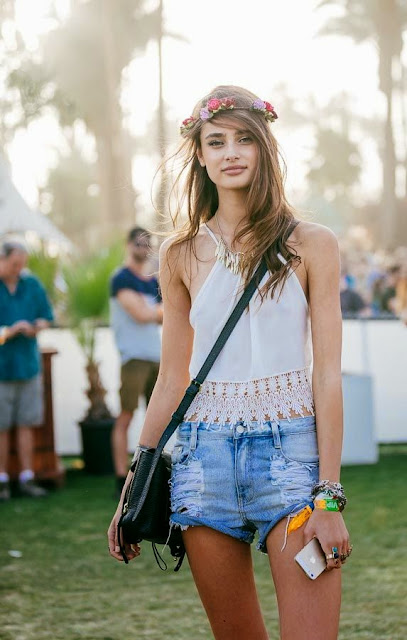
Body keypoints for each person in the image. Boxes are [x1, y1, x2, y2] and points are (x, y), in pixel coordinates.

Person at [108, 86, 351, 640]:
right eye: (216, 141)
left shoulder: (311, 243)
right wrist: (132, 493)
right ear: (200, 155)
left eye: (244, 139)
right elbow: (173, 377)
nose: (230, 152)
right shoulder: (179, 253)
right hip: (201, 464)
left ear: (265, 148)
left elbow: (327, 373)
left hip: (291, 461)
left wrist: (329, 493)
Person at [110, 227, 163, 497]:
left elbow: (164, 312)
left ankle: (149, 476)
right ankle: (121, 477)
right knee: (126, 416)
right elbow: (141, 315)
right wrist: (160, 312)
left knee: (157, 419)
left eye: (148, 243)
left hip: (157, 358)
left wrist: (157, 312)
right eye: (139, 243)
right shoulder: (120, 279)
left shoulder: (152, 281)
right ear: (129, 244)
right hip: (133, 359)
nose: (144, 248)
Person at [0, 240, 54, 501]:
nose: (19, 269)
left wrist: (36, 326)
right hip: (2, 369)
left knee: (26, 424)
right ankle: (2, 482)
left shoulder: (31, 284)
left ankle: (27, 477)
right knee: (1, 427)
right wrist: (8, 332)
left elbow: (46, 315)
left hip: (28, 367)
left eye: (22, 264)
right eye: (14, 264)